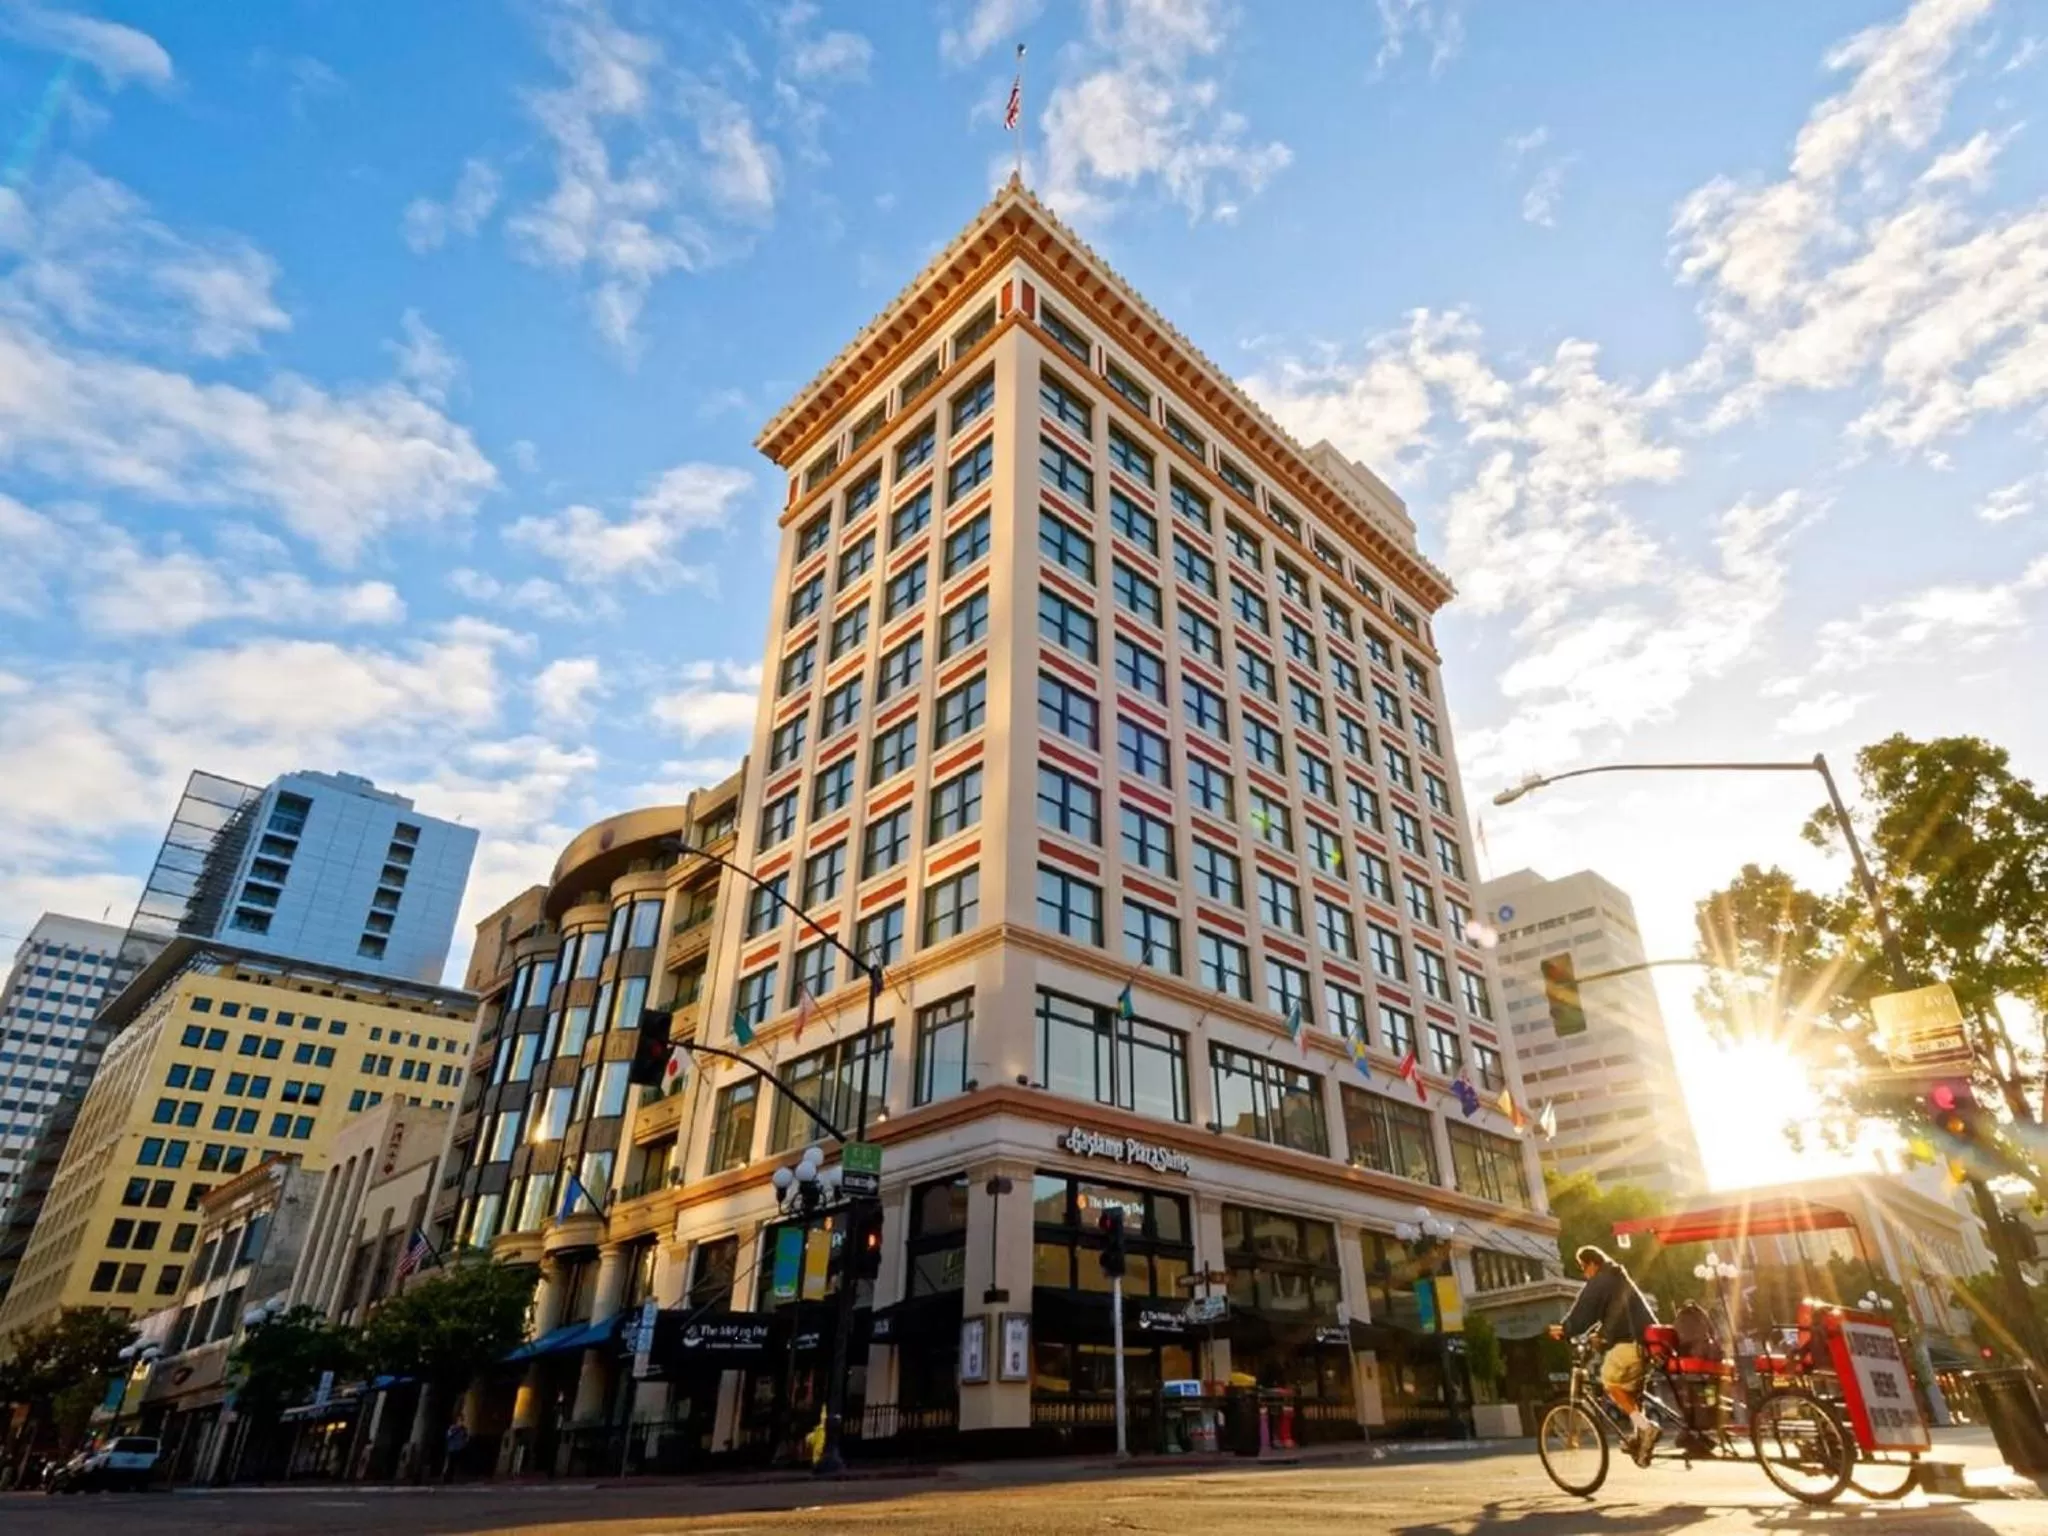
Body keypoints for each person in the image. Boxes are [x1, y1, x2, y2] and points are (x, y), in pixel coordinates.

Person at [1550, 1244, 1661, 1464]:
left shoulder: (1601, 1279)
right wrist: (1599, 1335)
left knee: (1610, 1382)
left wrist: (1565, 1329)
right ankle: (1642, 1442)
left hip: (1629, 1343)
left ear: (1593, 1263)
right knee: (1628, 1394)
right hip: (1645, 1342)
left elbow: (1584, 1310)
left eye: (1584, 1267)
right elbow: (1613, 1314)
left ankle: (1646, 1428)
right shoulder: (1617, 1277)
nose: (1584, 1273)